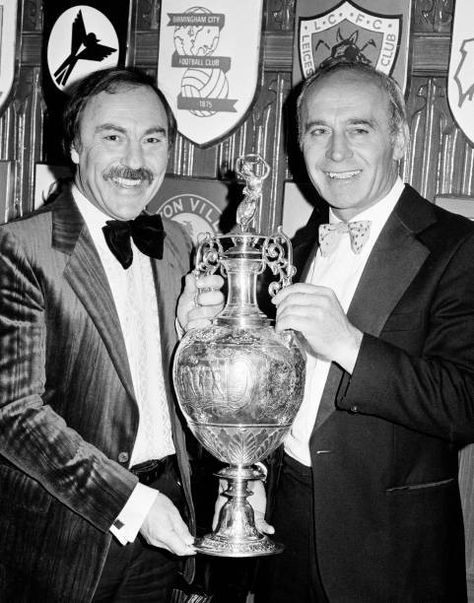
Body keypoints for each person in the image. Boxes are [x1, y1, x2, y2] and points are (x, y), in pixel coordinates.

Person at [246, 61, 474, 602]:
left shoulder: (460, 248)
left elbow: (466, 402)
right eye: (319, 131)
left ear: (399, 139)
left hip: (391, 549)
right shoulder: (294, 250)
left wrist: (350, 346)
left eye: (359, 129)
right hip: (283, 532)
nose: (336, 153)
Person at [0, 66, 219, 602]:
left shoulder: (176, 242)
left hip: (169, 512)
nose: (135, 161)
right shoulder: (19, 249)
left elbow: (165, 379)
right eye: (112, 137)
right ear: (75, 147)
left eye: (153, 140)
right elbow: (13, 415)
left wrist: (189, 335)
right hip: (64, 532)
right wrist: (133, 503)